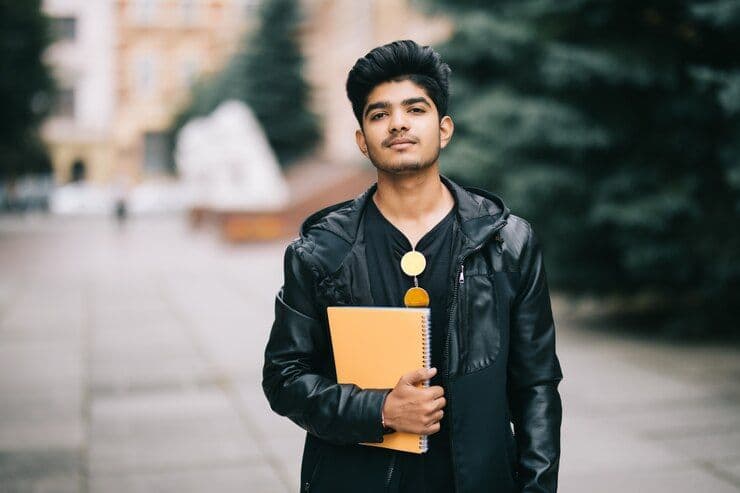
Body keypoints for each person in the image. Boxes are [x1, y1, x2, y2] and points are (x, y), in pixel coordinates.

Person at [262, 39, 563, 493]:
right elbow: (284, 377)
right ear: (363, 140)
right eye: (379, 114)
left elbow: (536, 385)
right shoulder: (319, 250)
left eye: (414, 109)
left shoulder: (508, 242)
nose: (398, 123)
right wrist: (380, 410)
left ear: (444, 129)